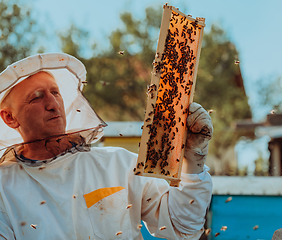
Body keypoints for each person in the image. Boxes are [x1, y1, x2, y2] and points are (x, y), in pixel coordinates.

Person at [0, 53, 213, 240]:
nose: (53, 104)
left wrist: (192, 160)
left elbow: (182, 226)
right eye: (36, 97)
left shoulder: (118, 163)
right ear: (9, 117)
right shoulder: (4, 187)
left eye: (55, 93)